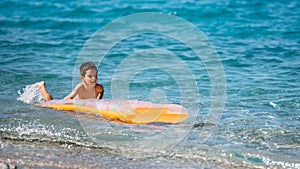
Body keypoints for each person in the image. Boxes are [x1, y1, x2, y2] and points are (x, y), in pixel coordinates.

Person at [36, 62, 104, 101]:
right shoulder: (80, 87)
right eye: (90, 76)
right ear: (82, 78)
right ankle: (41, 86)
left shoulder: (99, 88)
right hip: (70, 103)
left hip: (82, 107)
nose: (94, 78)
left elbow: (98, 99)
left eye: (95, 75)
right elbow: (69, 98)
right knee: (49, 101)